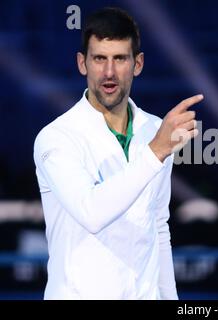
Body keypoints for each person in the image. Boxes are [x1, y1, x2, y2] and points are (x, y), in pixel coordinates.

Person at [33, 7, 202, 299]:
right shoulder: (56, 138)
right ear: (82, 63)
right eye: (99, 58)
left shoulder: (155, 130)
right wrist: (156, 151)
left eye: (119, 59)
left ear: (138, 64)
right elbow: (91, 212)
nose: (109, 72)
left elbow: (158, 226)